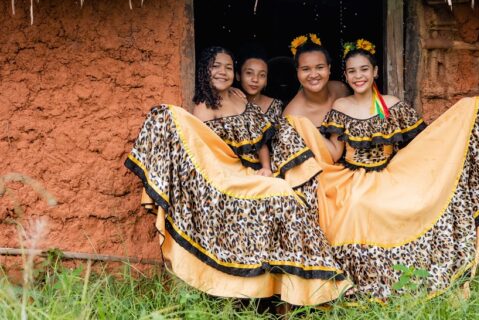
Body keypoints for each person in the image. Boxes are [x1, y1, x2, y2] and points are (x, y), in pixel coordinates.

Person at [125, 46, 349, 306]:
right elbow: (204, 152)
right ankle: (299, 287)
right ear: (205, 70)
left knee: (285, 193)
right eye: (216, 66)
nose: (223, 72)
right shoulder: (203, 106)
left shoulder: (239, 97)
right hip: (223, 176)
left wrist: (266, 167)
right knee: (281, 195)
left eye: (228, 67)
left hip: (247, 172)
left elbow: (260, 138)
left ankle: (308, 287)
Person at [288, 39, 479, 298]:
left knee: (405, 202)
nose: (359, 76)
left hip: (390, 173)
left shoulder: (392, 105)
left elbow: (422, 143)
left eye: (364, 69)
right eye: (353, 71)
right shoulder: (341, 107)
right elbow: (335, 152)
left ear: (375, 71)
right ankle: (357, 282)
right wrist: (306, 133)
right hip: (352, 176)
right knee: (356, 204)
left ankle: (403, 279)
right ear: (345, 76)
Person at [283, 34, 349, 126]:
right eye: (306, 69)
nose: (313, 75)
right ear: (297, 71)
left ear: (329, 68)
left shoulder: (341, 89)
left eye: (320, 67)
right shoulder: (292, 117)